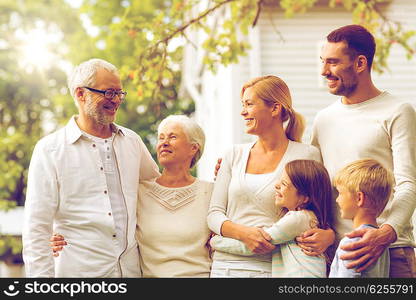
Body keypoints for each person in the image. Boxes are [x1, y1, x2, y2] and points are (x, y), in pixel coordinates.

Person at [22, 58, 160, 277]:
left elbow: (158, 192)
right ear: (80, 94)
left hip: (131, 273)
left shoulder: (132, 141)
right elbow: (36, 230)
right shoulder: (50, 150)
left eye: (119, 93)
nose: (116, 100)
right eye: (108, 93)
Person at [311, 24, 416, 277]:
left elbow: (409, 183)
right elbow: (311, 182)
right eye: (323, 62)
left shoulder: (398, 112)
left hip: (391, 251)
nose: (325, 71)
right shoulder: (323, 119)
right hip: (339, 253)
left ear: (360, 63)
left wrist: (385, 233)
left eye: (333, 62)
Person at [51, 115, 213, 277]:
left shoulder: (211, 192)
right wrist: (60, 236)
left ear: (193, 148)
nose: (164, 143)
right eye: (161, 138)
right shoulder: (138, 192)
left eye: (173, 137)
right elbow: (101, 220)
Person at [207, 75, 335, 278]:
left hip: (275, 267)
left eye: (249, 104)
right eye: (243, 104)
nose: (243, 112)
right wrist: (244, 234)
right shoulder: (233, 154)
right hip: (226, 266)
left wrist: (329, 236)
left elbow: (320, 211)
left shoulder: (306, 155)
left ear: (275, 109)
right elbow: (214, 214)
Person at [210, 159, 332, 277]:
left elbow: (257, 243)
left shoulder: (297, 219)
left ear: (305, 198)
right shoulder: (307, 218)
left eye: (284, 184)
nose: (276, 185)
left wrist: (216, 241)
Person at [329, 159, 393, 277]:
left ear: (359, 198)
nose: (337, 199)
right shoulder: (381, 245)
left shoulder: (352, 242)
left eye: (340, 193)